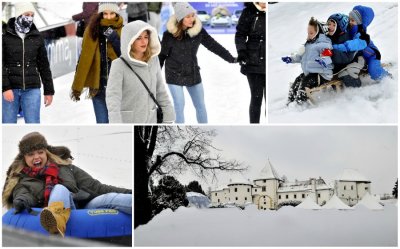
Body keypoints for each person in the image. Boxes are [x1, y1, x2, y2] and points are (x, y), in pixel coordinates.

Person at [2, 132, 132, 237]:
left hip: (81, 209)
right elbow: (22, 194)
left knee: (111, 198)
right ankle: (55, 222)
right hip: (47, 214)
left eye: (40, 152)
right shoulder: (23, 179)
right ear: (24, 157)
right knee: (59, 188)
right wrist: (21, 201)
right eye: (31, 154)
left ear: (46, 152)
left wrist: (131, 191)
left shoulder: (65, 168)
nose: (37, 157)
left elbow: (96, 187)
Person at [159, 2, 237, 123]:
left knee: (200, 106)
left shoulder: (198, 31)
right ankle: (179, 135)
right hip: (173, 73)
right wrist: (154, 76)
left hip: (192, 72)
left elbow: (214, 46)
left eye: (193, 15)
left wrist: (230, 58)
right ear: (180, 18)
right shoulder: (168, 35)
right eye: (188, 16)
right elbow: (161, 56)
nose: (192, 19)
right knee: (179, 106)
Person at [106, 21, 175, 123]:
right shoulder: (119, 65)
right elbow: (113, 97)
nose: (144, 42)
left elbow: (160, 90)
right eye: (138, 38)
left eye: (146, 37)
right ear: (130, 40)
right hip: (128, 123)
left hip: (151, 122)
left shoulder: (153, 60)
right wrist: (116, 123)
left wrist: (169, 116)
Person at [70, 2, 123, 123]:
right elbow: (84, 57)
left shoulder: (123, 30)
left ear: (116, 13)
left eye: (112, 13)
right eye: (105, 14)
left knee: (117, 124)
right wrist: (77, 84)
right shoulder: (92, 30)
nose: (108, 17)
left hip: (117, 88)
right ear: (100, 14)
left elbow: (125, 56)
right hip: (98, 86)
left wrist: (114, 38)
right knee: (102, 123)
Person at [2, 2, 54, 123]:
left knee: (33, 123)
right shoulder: (5, 36)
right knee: (8, 124)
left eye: (32, 15)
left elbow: (44, 65)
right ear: (19, 15)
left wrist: (49, 91)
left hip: (32, 89)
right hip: (11, 89)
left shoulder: (37, 37)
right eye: (26, 14)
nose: (29, 18)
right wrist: (5, 88)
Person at [281, 17, 333, 105]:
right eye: (308, 33)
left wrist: (323, 61)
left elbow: (328, 57)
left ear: (318, 33)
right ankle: (290, 102)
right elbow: (300, 57)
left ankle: (300, 103)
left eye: (311, 33)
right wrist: (291, 59)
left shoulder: (323, 45)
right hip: (310, 73)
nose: (308, 35)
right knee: (297, 81)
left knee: (304, 84)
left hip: (322, 74)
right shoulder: (308, 45)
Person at [332, 6, 390, 81]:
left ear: (359, 23)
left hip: (372, 56)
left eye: (353, 20)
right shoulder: (349, 31)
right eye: (349, 19)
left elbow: (351, 45)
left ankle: (388, 78)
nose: (350, 22)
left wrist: (336, 47)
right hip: (359, 57)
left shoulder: (363, 36)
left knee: (374, 72)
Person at [235, 2, 266, 123]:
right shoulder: (249, 11)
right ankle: (254, 126)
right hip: (253, 61)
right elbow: (240, 34)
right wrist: (242, 51)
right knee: (256, 98)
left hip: (268, 62)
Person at [326, 13, 364, 87]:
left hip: (352, 61)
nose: (330, 27)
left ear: (340, 27)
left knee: (347, 74)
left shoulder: (346, 38)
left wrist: (332, 53)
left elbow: (348, 57)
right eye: (329, 24)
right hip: (337, 65)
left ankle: (357, 92)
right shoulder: (329, 36)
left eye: (334, 25)